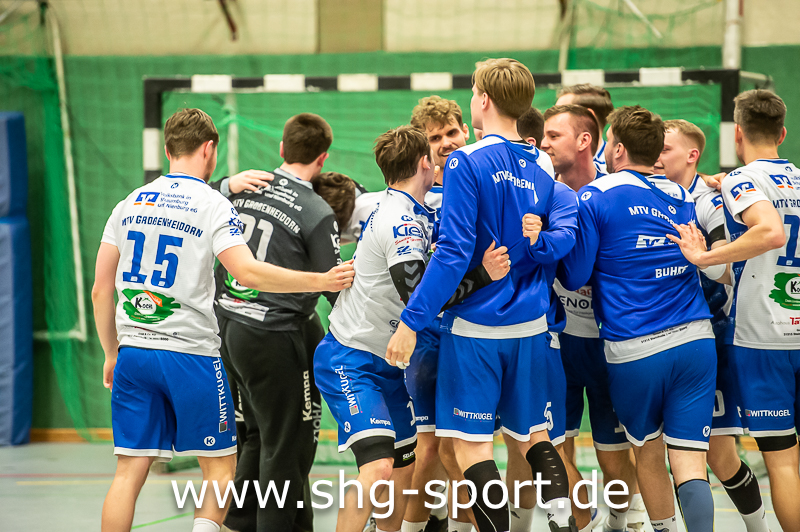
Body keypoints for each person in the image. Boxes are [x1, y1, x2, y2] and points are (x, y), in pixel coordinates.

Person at [92, 108, 354, 532]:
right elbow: (247, 273)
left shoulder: (130, 202)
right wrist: (320, 279)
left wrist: (110, 352)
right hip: (191, 354)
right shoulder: (213, 204)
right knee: (218, 471)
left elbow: (100, 289)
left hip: (134, 351)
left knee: (127, 474)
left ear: (167, 149)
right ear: (210, 149)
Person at [387, 58, 580, 532]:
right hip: (531, 324)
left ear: (484, 100)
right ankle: (560, 519)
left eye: (473, 92)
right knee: (534, 437)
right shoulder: (541, 163)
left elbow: (453, 252)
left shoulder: (465, 162)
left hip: (477, 326)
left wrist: (411, 321)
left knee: (472, 447)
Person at [314, 125, 510, 532]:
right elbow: (419, 296)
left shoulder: (410, 208)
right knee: (379, 468)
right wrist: (483, 276)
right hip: (350, 358)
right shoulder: (399, 220)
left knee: (403, 472)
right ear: (425, 163)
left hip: (387, 363)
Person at [559, 105, 717, 532]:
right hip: (696, 340)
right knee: (690, 463)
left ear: (618, 149)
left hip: (636, 346)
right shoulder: (683, 195)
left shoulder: (597, 194)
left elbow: (575, 277)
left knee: (648, 454)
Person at [669, 90, 800, 532]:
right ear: (782, 133)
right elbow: (741, 266)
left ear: (737, 133)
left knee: (783, 464)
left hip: (762, 336)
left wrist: (703, 257)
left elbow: (770, 233)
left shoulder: (741, 182)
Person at [212, 113, 349, 532]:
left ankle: (238, 522)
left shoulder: (242, 189)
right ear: (322, 158)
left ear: (282, 149)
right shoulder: (315, 210)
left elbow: (196, 201)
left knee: (257, 435)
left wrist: (224, 184)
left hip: (227, 327)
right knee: (286, 445)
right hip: (272, 334)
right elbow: (333, 286)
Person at [655, 118, 770, 532]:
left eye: (666, 149)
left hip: (711, 337)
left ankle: (759, 527)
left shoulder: (708, 200)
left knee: (719, 455)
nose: (657, 155)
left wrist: (702, 258)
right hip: (661, 340)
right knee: (667, 454)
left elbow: (726, 264)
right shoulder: (654, 194)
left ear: (691, 155)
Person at [540, 105, 638, 532]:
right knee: (553, 448)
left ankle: (622, 519)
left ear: (584, 141)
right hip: (557, 340)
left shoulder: (615, 188)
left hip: (608, 342)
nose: (543, 144)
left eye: (553, 135)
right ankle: (583, 522)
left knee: (614, 456)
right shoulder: (540, 189)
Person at [555, 84, 614, 175]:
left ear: (588, 117)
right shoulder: (548, 164)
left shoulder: (615, 168)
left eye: (560, 112)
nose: (553, 118)